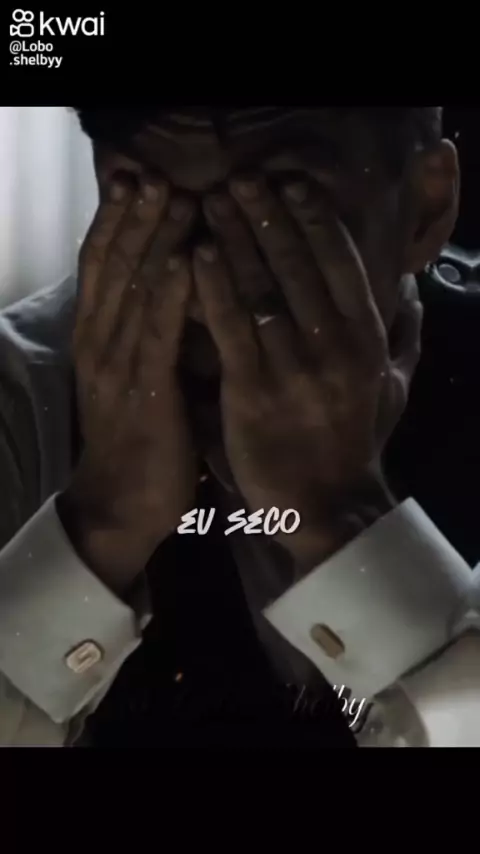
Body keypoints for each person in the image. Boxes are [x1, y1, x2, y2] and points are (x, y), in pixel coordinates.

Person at [0, 106, 476, 747]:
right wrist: (99, 525)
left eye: (279, 210)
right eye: (149, 204)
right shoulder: (17, 403)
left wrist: (344, 520)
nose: (207, 292)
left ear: (426, 207)